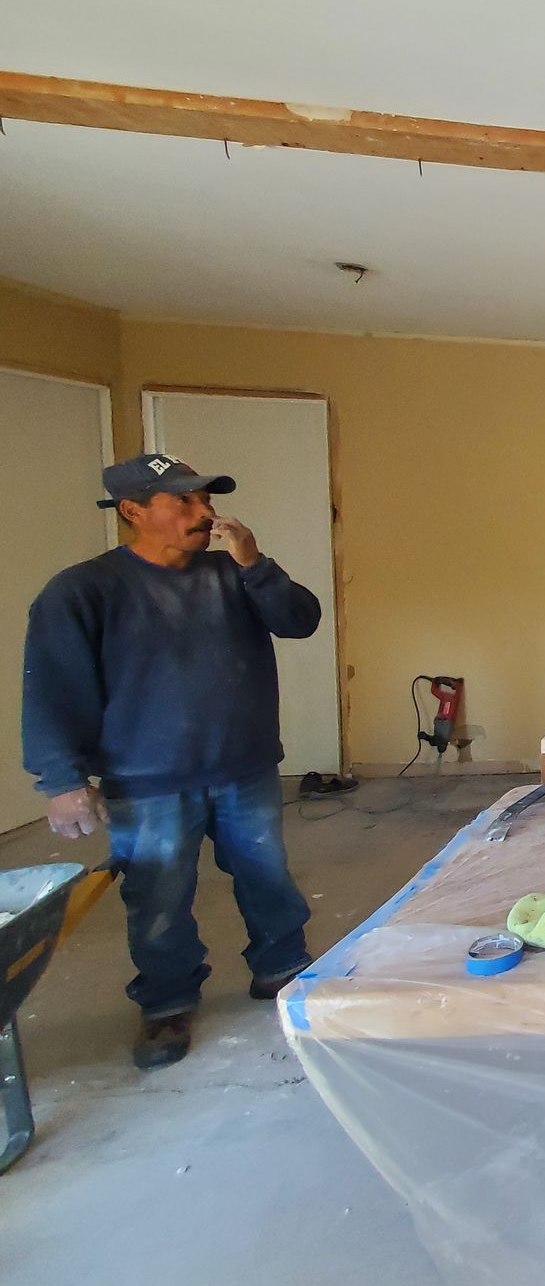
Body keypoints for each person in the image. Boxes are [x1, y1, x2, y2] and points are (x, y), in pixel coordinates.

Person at [21, 454, 323, 1070]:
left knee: (267, 876)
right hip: (148, 781)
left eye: (205, 499)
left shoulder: (233, 573)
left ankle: (283, 968)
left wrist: (256, 565)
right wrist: (62, 780)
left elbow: (300, 620)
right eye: (183, 500)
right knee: (158, 896)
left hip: (245, 767)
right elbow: (52, 690)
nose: (204, 511)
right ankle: (167, 1002)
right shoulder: (82, 590)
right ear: (133, 510)